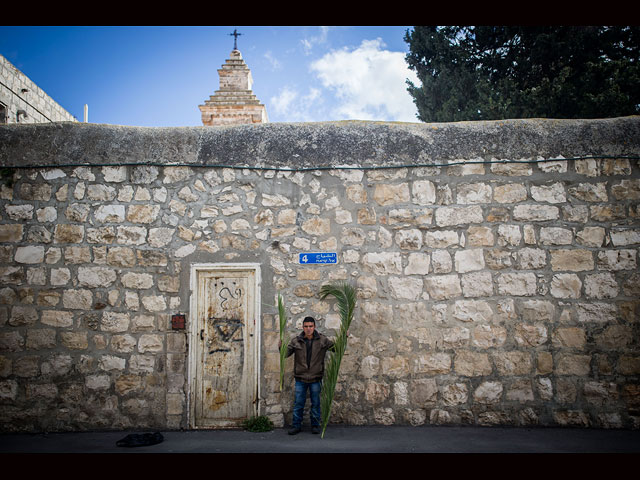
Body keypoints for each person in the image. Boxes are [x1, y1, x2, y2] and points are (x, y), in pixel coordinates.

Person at [280, 316, 334, 435]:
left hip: (316, 378)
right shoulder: (296, 341)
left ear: (314, 327)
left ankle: (315, 425)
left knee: (315, 403)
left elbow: (335, 348)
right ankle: (296, 426)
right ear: (303, 327)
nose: (308, 329)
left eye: (310, 326)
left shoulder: (322, 340)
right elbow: (285, 354)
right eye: (306, 326)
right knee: (299, 403)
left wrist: (344, 338)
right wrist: (281, 346)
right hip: (300, 378)